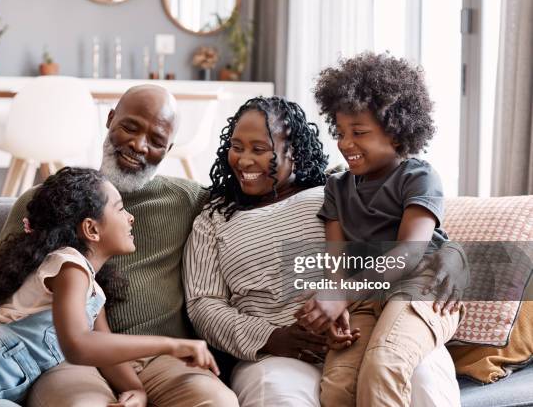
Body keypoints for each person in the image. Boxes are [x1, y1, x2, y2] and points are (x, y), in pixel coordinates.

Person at [0, 85, 238, 407]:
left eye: (156, 141)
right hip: (65, 362)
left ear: (168, 150)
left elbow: (250, 213)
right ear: (111, 119)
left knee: (216, 402)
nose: (138, 145)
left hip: (157, 361)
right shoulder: (49, 203)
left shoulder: (187, 200)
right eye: (130, 127)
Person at [184, 95, 467, 407]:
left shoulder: (334, 188)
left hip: (372, 322)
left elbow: (413, 234)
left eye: (260, 149)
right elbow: (203, 304)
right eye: (236, 147)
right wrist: (270, 337)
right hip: (279, 354)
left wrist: (454, 255)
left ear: (293, 150)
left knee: (421, 378)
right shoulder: (213, 220)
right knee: (280, 396)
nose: (244, 160)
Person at [0, 167, 219, 407]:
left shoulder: (92, 292)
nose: (131, 217)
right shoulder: (68, 266)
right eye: (120, 209)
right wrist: (172, 344)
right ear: (91, 228)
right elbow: (78, 345)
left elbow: (102, 350)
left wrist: (136, 390)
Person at [296, 52, 464, 407]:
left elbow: (410, 251)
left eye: (359, 132)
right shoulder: (337, 187)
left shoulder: (418, 177)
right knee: (338, 386)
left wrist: (345, 294)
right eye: (340, 132)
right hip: (364, 300)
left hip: (421, 288)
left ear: (397, 132)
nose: (345, 143)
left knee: (384, 364)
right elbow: (336, 264)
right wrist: (335, 304)